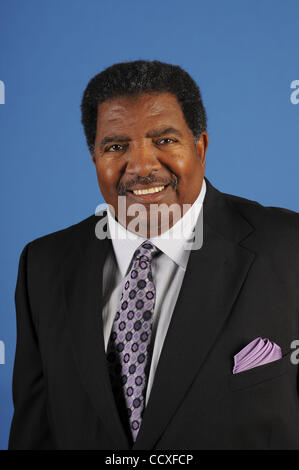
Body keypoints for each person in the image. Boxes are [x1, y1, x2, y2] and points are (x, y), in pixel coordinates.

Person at [9, 60, 299, 450]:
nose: (142, 167)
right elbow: (35, 432)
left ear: (200, 146)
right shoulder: (42, 266)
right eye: (115, 146)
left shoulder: (288, 247)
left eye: (164, 140)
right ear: (94, 158)